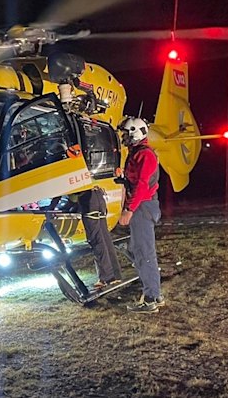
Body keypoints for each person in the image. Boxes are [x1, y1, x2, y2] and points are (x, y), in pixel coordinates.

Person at [118, 117, 165, 314]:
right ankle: (154, 294)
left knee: (145, 254)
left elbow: (143, 185)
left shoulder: (145, 155)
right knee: (138, 251)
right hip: (144, 205)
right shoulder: (138, 153)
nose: (124, 138)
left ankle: (152, 298)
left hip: (143, 207)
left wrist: (129, 209)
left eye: (127, 134)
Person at [75, 187, 122, 290]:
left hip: (89, 201)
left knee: (97, 241)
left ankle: (107, 277)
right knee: (105, 240)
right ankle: (115, 274)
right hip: (98, 197)